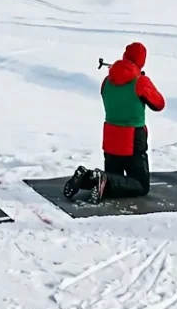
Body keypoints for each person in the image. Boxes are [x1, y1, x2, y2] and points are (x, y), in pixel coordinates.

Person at [64, 42, 166, 203]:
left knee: (112, 183)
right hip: (133, 138)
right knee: (140, 185)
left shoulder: (107, 80)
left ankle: (86, 177)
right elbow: (159, 104)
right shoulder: (140, 81)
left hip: (110, 138)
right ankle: (99, 178)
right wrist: (144, 80)